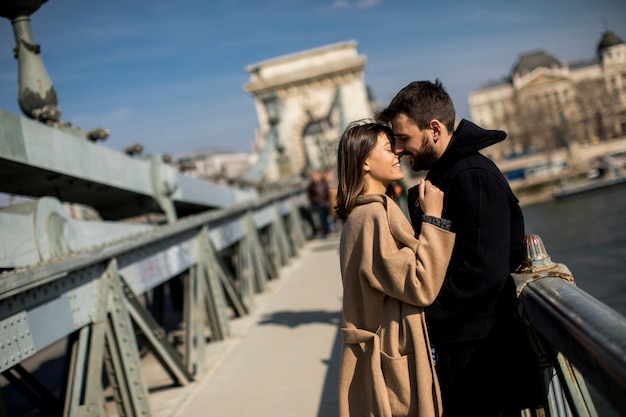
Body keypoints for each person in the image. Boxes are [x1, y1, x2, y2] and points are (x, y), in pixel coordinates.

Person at [376, 80, 541, 417]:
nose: (398, 149)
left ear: (434, 129)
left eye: (403, 138)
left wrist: (422, 317)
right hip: (465, 353)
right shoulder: (448, 176)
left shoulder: (471, 177)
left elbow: (482, 273)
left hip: (485, 361)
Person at [334, 120, 456, 417]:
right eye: (389, 149)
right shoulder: (374, 215)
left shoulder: (359, 216)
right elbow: (420, 284)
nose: (397, 154)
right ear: (365, 162)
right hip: (393, 361)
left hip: (383, 354)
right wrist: (434, 219)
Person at [307, 170, 331, 238]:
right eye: (313, 176)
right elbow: (310, 196)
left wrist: (327, 200)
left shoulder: (324, 183)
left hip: (325, 202)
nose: (315, 177)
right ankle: (326, 231)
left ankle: (329, 228)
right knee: (322, 218)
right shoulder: (311, 186)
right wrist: (316, 200)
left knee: (327, 216)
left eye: (316, 176)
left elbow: (327, 192)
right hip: (318, 204)